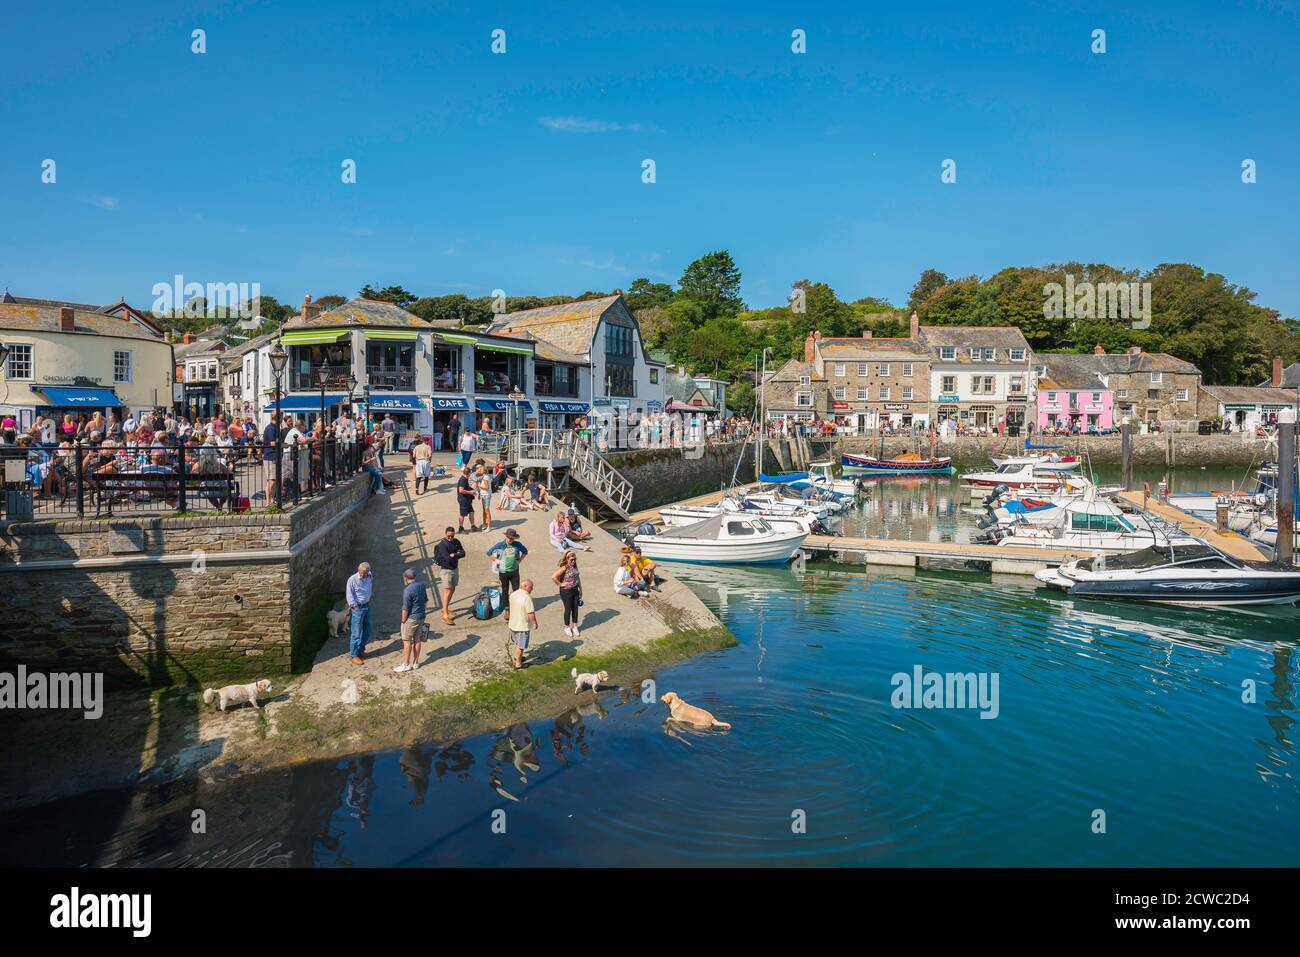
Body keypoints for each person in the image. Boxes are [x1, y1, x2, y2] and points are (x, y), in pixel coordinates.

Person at [395, 567, 429, 673]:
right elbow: (425, 601)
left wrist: (403, 620)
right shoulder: (422, 586)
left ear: (405, 578)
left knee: (407, 641)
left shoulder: (407, 590)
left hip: (411, 619)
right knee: (417, 640)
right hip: (421, 617)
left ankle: (406, 665)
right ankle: (416, 663)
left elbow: (405, 608)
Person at [433, 526, 465, 625]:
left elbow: (463, 553)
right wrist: (456, 554)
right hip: (446, 571)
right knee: (447, 592)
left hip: (455, 569)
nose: (450, 538)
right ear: (445, 534)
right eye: (449, 536)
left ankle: (444, 608)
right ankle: (445, 614)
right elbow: (447, 559)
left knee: (453, 589)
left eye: (452, 536)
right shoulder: (442, 545)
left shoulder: (456, 541)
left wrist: (454, 555)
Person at [506, 579, 538, 670]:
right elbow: (530, 613)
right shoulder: (526, 597)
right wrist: (534, 623)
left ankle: (517, 658)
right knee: (521, 646)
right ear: (525, 586)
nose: (532, 590)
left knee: (517, 643)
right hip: (522, 626)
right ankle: (518, 664)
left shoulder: (513, 594)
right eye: (531, 587)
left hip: (513, 624)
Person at [346, 562, 374, 665]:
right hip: (358, 608)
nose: (362, 575)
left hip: (367, 606)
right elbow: (349, 595)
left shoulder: (369, 576)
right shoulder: (352, 580)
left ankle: (360, 650)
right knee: (356, 633)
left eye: (364, 573)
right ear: (358, 570)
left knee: (367, 629)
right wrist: (355, 607)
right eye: (361, 573)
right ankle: (354, 655)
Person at [550, 549, 582, 637]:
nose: (573, 561)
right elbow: (553, 577)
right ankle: (567, 627)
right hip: (566, 591)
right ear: (567, 559)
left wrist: (581, 589)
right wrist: (561, 584)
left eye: (574, 559)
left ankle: (575, 626)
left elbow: (577, 578)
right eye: (571, 559)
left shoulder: (575, 565)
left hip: (575, 589)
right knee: (568, 609)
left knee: (575, 608)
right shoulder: (564, 567)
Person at [487, 527, 528, 597]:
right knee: (505, 590)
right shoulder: (500, 545)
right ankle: (506, 605)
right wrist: (497, 560)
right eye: (510, 538)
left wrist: (520, 560)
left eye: (513, 538)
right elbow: (489, 552)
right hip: (503, 572)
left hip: (514, 571)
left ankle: (516, 604)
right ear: (506, 536)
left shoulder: (517, 544)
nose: (511, 540)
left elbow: (525, 551)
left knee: (516, 590)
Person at [455, 466, 476, 531]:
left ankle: (472, 525)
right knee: (462, 514)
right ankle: (461, 527)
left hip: (468, 499)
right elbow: (461, 490)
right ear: (468, 473)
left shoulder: (466, 478)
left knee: (471, 512)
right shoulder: (463, 480)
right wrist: (470, 492)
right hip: (463, 499)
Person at [474, 463, 493, 531]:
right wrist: (479, 494)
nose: (479, 470)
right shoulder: (483, 477)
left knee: (487, 510)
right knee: (484, 510)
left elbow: (486, 487)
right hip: (483, 495)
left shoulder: (485, 477)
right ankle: (484, 523)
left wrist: (479, 485)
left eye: (480, 469)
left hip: (486, 495)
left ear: (483, 470)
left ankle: (489, 526)